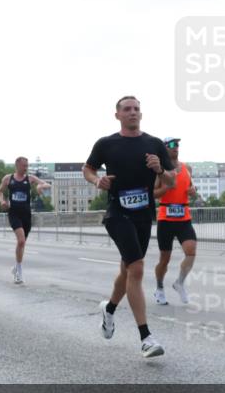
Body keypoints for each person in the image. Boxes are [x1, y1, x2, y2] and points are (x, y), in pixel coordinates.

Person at [83, 95, 175, 358]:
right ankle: (146, 338)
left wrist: (160, 170)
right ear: (118, 115)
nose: (132, 112)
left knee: (128, 269)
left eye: (136, 109)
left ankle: (109, 309)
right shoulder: (106, 143)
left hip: (144, 215)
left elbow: (170, 181)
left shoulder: (154, 144)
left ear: (141, 115)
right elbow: (87, 169)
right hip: (117, 213)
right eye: (127, 109)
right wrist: (97, 181)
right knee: (137, 268)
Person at [153, 137, 197, 305]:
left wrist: (193, 190)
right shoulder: (160, 170)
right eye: (171, 144)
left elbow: (191, 187)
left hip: (184, 216)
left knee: (191, 251)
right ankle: (159, 287)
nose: (175, 147)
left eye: (177, 144)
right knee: (165, 259)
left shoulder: (187, 168)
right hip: (166, 218)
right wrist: (166, 187)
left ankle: (179, 283)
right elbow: (153, 194)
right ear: (164, 148)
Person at [0, 156, 50, 284]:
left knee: (22, 243)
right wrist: (2, 201)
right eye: (24, 165)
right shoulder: (8, 178)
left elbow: (46, 184)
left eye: (27, 165)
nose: (26, 168)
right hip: (14, 213)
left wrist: (40, 186)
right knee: (20, 241)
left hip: (26, 214)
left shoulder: (30, 178)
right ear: (17, 165)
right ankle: (19, 272)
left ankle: (16, 267)